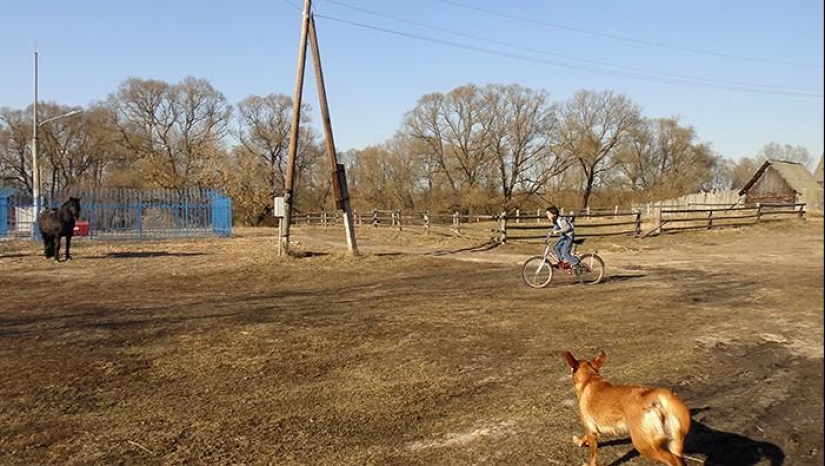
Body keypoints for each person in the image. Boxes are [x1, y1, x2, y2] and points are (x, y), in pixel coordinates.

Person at [545, 205, 580, 271]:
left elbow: (567, 227)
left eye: (548, 214)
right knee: (556, 247)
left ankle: (576, 263)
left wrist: (558, 231)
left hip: (569, 237)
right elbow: (556, 226)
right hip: (564, 236)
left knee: (565, 252)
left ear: (554, 214)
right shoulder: (556, 220)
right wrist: (551, 232)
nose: (547, 216)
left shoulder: (561, 219)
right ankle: (562, 262)